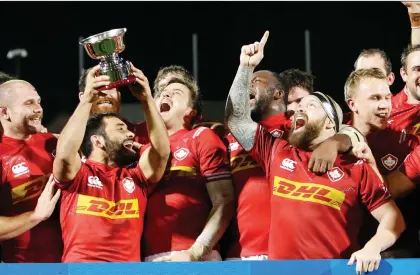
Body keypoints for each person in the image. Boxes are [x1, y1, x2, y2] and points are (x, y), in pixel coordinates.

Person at [225, 31, 405, 274]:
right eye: (298, 105)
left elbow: (393, 219)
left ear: (331, 123)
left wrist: (372, 248)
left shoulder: (356, 166)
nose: (298, 109)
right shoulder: (277, 151)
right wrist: (245, 68)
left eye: (310, 105)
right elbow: (236, 120)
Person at [53, 64, 170, 262]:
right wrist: (88, 99)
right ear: (97, 141)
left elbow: (161, 152)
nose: (131, 133)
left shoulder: (136, 178)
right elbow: (64, 155)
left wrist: (146, 99)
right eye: (120, 129)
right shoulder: (78, 174)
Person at [142, 74, 234, 262]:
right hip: (148, 258)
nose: (166, 96)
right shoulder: (143, 149)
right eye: (162, 93)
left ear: (190, 112)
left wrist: (196, 251)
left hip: (194, 255)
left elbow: (224, 199)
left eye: (175, 93)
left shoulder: (201, 136)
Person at [0, 78, 63, 262]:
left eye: (38, 102)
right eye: (29, 103)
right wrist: (35, 216)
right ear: (5, 112)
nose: (38, 109)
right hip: (23, 266)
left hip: (71, 262)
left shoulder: (54, 142)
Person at [78, 66, 149, 144]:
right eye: (97, 87)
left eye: (110, 86)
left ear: (119, 95)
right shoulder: (71, 138)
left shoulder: (141, 133)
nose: (104, 92)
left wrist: (147, 99)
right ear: (83, 97)